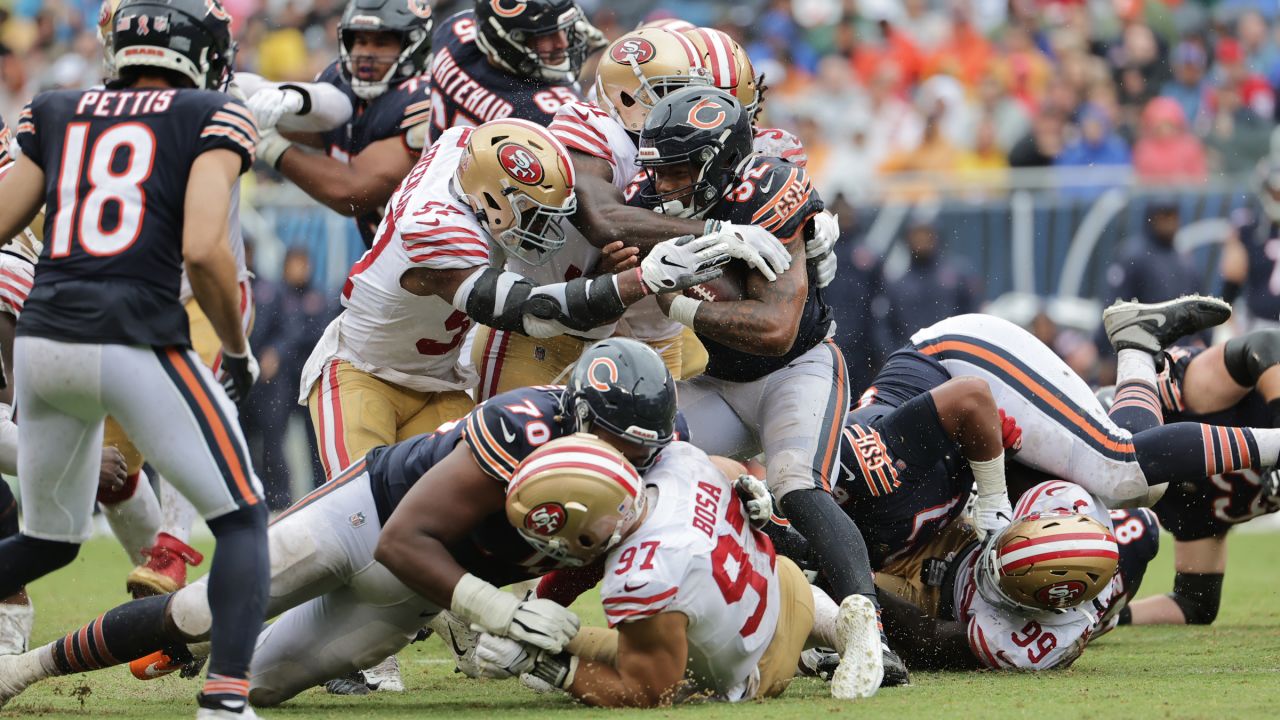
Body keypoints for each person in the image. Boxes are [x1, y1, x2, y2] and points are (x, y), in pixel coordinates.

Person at [0, 1, 267, 717]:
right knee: (243, 519)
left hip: (44, 340)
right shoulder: (213, 112)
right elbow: (206, 250)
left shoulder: (57, 108)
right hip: (133, 335)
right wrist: (237, 349)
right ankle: (226, 698)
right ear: (204, 53)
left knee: (47, 540)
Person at [621, 85, 907, 687]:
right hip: (716, 378)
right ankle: (542, 608)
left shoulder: (770, 192)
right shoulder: (649, 196)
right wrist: (671, 257)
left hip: (796, 369)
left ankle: (869, 634)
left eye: (681, 171)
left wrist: (678, 305)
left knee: (796, 485)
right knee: (634, 463)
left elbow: (776, 331)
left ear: (721, 163)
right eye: (661, 171)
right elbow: (610, 242)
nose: (665, 185)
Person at [299, 117, 728, 481]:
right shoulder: (439, 234)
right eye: (536, 216)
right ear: (489, 199)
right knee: (358, 507)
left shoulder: (463, 154)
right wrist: (641, 280)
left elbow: (482, 142)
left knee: (462, 506)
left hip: (438, 382)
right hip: (362, 371)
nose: (545, 231)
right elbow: (534, 313)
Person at [472, 28, 825, 399]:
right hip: (551, 327)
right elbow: (605, 222)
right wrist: (717, 231)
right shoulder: (594, 128)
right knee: (519, 445)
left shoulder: (731, 145)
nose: (710, 112)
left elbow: (767, 223)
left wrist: (810, 230)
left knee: (656, 452)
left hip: (659, 334)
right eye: (689, 92)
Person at [470, 441, 883, 704]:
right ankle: (839, 632)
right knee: (719, 604)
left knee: (580, 643)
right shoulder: (678, 463)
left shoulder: (642, 575)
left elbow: (649, 688)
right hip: (783, 583)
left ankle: (810, 655)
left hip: (759, 666)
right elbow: (736, 472)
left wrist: (546, 667)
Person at [1108, 332, 1280, 627]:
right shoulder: (1184, 402)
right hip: (1173, 401)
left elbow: (1194, 603)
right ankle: (1136, 341)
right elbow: (1264, 346)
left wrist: (1109, 617)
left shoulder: (1184, 506)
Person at [248, 0, 434, 247]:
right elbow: (311, 130)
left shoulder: (423, 99)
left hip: (440, 258)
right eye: (359, 40)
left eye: (381, 43)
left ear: (414, 45)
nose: (366, 53)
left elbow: (352, 191)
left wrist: (267, 145)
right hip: (391, 256)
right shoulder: (341, 82)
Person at [427, 0, 599, 141]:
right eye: (545, 35)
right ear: (503, 42)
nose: (563, 43)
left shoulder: (452, 32)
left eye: (563, 29)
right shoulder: (544, 113)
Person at [1220, 151, 1280, 328]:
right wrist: (1228, 322)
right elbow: (1232, 277)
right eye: (1276, 192)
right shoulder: (1249, 228)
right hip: (1261, 324)